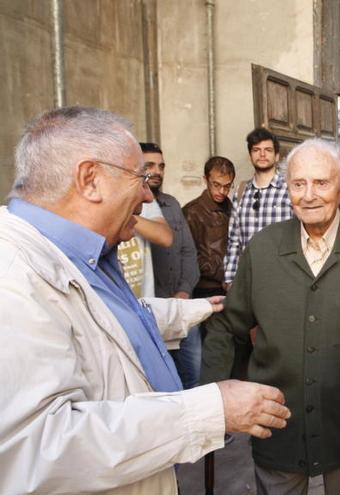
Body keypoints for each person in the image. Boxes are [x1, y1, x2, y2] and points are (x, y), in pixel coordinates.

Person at [0, 106, 290, 494]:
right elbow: (38, 448)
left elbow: (109, 322)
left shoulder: (83, 254)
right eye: (140, 178)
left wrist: (198, 308)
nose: (147, 193)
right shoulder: (13, 276)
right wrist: (209, 410)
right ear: (90, 179)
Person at [202, 139, 340, 495]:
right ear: (287, 189)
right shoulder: (263, 249)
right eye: (299, 184)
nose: (309, 195)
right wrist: (214, 397)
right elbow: (228, 325)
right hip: (277, 427)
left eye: (321, 183)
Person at [142, 142, 202, 388]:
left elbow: (188, 251)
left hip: (181, 306)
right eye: (149, 165)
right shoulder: (130, 210)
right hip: (151, 311)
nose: (157, 171)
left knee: (194, 376)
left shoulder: (172, 205)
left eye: (161, 166)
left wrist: (185, 291)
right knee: (162, 383)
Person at [224, 127, 293, 286]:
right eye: (256, 150)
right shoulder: (241, 192)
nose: (262, 154)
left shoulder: (290, 189)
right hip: (248, 280)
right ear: (250, 156)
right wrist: (229, 280)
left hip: (283, 279)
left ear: (276, 156)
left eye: (268, 150)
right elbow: (234, 240)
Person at [184, 156, 236, 302]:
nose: (222, 191)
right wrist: (224, 274)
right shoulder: (191, 212)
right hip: (206, 289)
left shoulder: (233, 209)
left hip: (231, 284)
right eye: (216, 184)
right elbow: (189, 256)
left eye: (227, 186)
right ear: (205, 180)